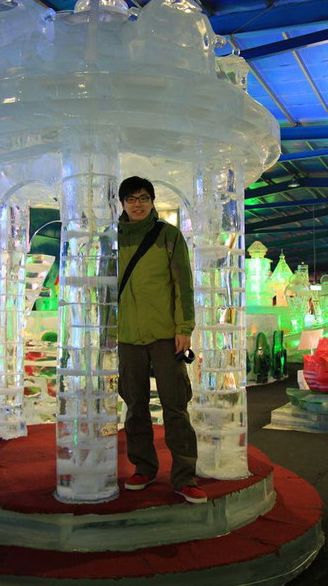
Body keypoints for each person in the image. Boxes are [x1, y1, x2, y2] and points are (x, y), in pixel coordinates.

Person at [117, 175, 207, 504]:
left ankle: (185, 476)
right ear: (122, 203)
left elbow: (183, 284)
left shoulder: (168, 235)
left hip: (167, 336)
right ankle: (143, 467)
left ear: (152, 201)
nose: (137, 204)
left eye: (143, 198)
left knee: (175, 406)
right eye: (131, 199)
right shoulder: (113, 239)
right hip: (127, 336)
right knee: (135, 407)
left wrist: (184, 327)